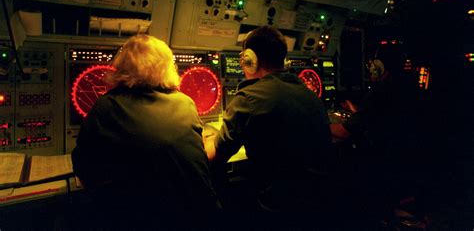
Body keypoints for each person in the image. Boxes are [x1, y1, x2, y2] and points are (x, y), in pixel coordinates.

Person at [71, 34, 220, 227]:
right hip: (200, 216)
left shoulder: (106, 106)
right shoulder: (185, 102)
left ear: (122, 67)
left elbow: (84, 169)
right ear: (167, 67)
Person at [203, 26, 334, 214]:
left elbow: (214, 155)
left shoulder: (248, 98)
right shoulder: (310, 95)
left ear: (250, 60)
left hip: (277, 207)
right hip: (318, 203)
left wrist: (208, 134)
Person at [330, 45, 424, 221]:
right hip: (403, 156)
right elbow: (382, 115)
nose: (371, 67)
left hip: (381, 158)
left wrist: (318, 122)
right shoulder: (408, 85)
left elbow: (344, 132)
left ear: (379, 66)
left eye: (373, 63)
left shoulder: (380, 91)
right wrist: (356, 110)